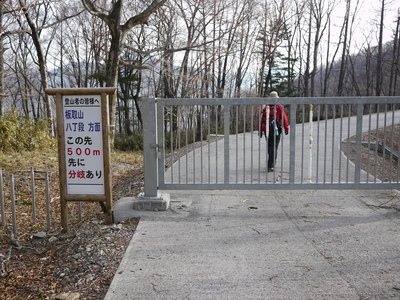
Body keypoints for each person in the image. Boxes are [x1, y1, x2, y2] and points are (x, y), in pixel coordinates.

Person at [259, 91, 289, 172]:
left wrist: (260, 130)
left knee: (270, 146)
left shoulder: (265, 107)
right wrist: (286, 128)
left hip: (267, 129)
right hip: (276, 129)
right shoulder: (279, 107)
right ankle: (271, 165)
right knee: (274, 146)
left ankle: (271, 162)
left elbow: (261, 119)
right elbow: (284, 117)